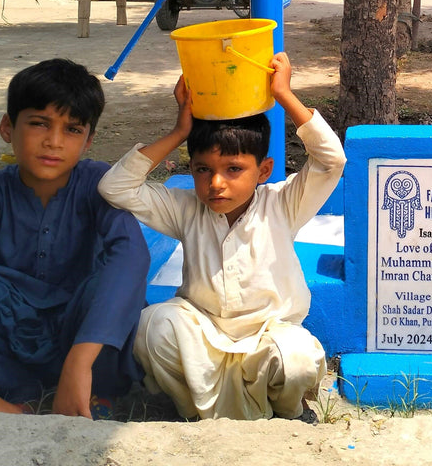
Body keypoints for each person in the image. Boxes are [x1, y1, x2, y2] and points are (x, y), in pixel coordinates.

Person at [97, 52, 347, 421]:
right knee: (153, 327)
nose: (216, 183)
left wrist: (284, 95)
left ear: (263, 170)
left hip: (267, 336)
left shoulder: (283, 204)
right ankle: (196, 413)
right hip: (203, 337)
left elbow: (331, 161)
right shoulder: (184, 208)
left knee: (297, 358)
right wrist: (179, 131)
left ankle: (288, 412)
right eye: (203, 169)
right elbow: (115, 187)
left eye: (233, 169)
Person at [0, 58, 148, 417]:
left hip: (80, 330)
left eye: (72, 130)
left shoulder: (100, 183)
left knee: (117, 279)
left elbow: (132, 257)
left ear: (88, 141)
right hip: (14, 332)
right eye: (39, 123)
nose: (53, 142)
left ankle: (90, 390)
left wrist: (79, 363)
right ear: (8, 127)